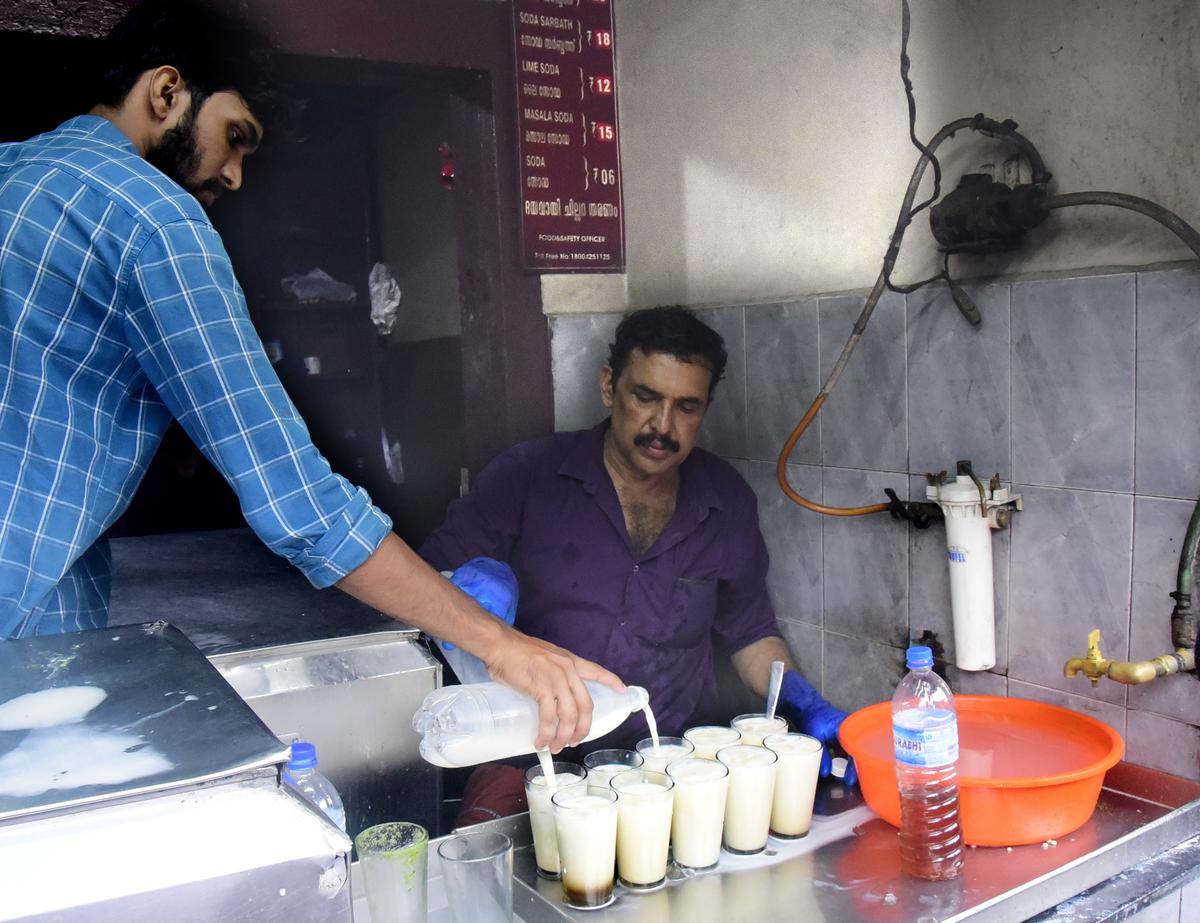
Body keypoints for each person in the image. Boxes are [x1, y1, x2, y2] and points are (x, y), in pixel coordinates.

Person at [0, 0, 617, 752]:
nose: (233, 172)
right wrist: (498, 641)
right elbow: (301, 503)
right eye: (235, 137)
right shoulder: (154, 218)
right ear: (166, 92)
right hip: (24, 636)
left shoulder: (13, 173)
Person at [420, 306, 855, 824]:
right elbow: (427, 593)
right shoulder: (527, 476)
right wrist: (468, 590)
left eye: (686, 407)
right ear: (609, 387)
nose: (662, 426)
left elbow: (749, 633)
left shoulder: (726, 500)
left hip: (671, 767)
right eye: (645, 397)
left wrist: (805, 701)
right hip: (533, 761)